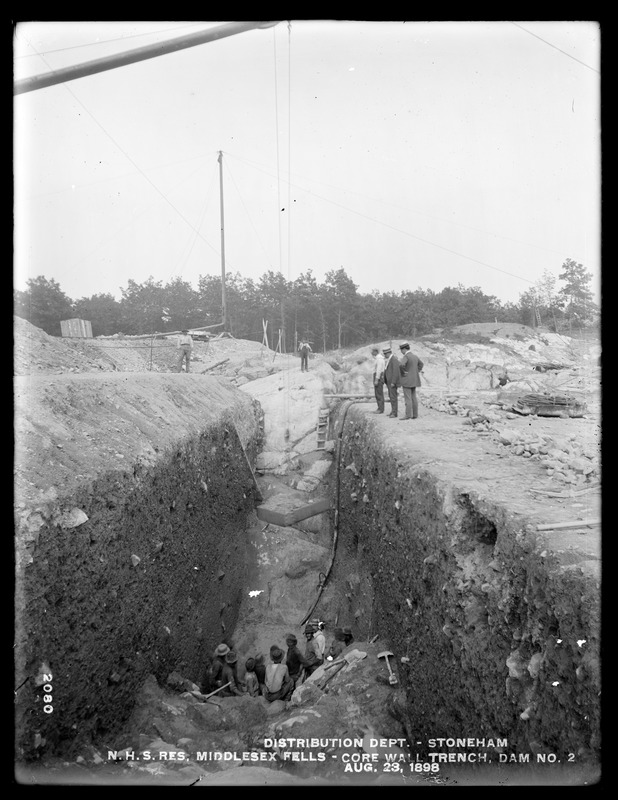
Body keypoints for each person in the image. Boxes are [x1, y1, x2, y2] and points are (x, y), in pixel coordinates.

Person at [398, 341, 424, 420]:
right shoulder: (415, 356)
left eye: (401, 350)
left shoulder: (406, 356)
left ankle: (408, 415)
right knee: (414, 398)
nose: (401, 352)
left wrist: (404, 373)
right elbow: (421, 364)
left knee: (408, 398)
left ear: (404, 349)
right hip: (415, 379)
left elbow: (401, 365)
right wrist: (417, 371)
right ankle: (415, 414)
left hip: (407, 380)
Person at [383, 346, 401, 418]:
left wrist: (393, 382)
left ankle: (394, 412)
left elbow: (396, 372)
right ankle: (392, 411)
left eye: (385, 354)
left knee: (393, 397)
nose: (385, 355)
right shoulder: (390, 359)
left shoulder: (394, 359)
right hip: (389, 382)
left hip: (392, 382)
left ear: (388, 353)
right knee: (391, 397)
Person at [371, 348, 385, 413]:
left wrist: (377, 379)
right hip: (378, 376)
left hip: (378, 377)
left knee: (379, 393)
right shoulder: (378, 358)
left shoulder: (379, 359)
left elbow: (378, 370)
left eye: (372, 351)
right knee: (377, 393)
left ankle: (380, 409)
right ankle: (379, 407)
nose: (371, 353)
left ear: (376, 351)